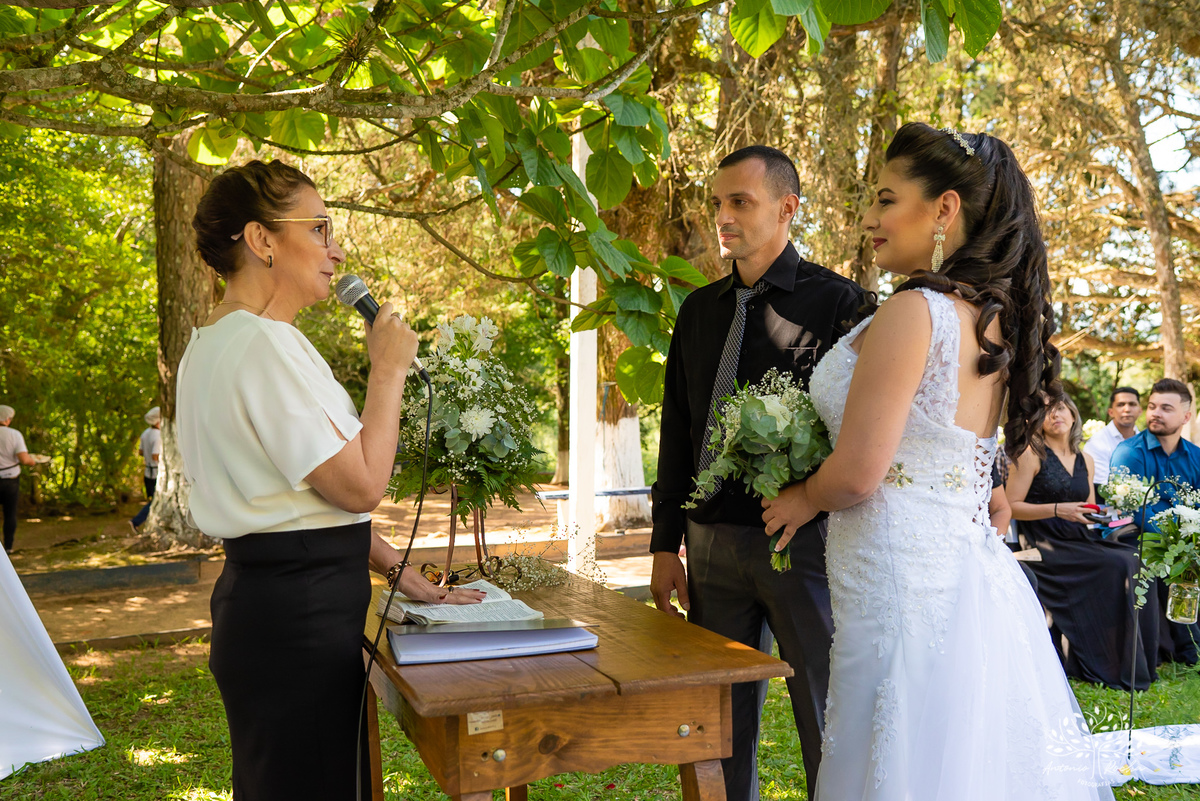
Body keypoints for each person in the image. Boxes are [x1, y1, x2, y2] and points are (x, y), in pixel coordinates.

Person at [761, 123, 1112, 799]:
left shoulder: (913, 311)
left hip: (894, 577)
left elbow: (862, 471)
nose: (870, 219)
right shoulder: (992, 320)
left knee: (889, 742)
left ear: (944, 209)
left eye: (887, 200)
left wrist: (803, 495)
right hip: (953, 574)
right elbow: (971, 462)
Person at [178, 160, 486, 801]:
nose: (336, 249)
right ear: (262, 240)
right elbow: (359, 487)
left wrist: (392, 566)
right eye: (318, 228)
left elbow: (302, 500)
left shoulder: (217, 342)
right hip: (298, 619)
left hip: (274, 604)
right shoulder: (262, 345)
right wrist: (388, 372)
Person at [649, 145, 867, 801]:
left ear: (786, 208)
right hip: (710, 546)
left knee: (825, 718)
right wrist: (665, 543)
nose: (723, 217)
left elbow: (875, 425)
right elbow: (678, 432)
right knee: (716, 728)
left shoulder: (843, 306)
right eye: (717, 203)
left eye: (739, 202)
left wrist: (812, 499)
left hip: (801, 546)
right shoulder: (698, 311)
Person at [1007, 392, 1157, 690]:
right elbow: (1010, 505)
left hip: (1079, 537)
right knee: (1117, 564)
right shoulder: (1030, 455)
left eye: (1061, 408)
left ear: (1073, 415)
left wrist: (1108, 512)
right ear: (1037, 421)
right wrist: (1056, 510)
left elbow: (1088, 509)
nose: (1055, 415)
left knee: (1136, 558)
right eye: (1047, 411)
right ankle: (1105, 661)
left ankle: (1136, 658)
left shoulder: (1085, 459)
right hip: (1045, 542)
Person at [1110, 378, 1200, 666]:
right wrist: (1181, 540)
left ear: (1186, 417)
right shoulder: (1130, 452)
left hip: (1185, 537)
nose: (1155, 413)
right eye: (1151, 406)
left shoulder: (1195, 456)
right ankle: (1191, 652)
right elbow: (1136, 509)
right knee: (1179, 559)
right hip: (1136, 534)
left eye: (1166, 408)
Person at [1084, 387, 1142, 496]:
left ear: (1140, 410)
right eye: (1120, 405)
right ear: (1111, 412)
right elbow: (1101, 486)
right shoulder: (1097, 443)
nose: (1127, 409)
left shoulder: (1146, 442)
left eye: (1132, 404)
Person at [0, 404, 37, 553]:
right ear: (7, 420)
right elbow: (23, 458)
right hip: (10, 480)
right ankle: (8, 547)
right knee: (10, 513)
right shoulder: (14, 435)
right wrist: (32, 461)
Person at [130, 406, 162, 531]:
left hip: (147, 472)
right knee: (156, 501)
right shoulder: (158, 436)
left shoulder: (145, 433)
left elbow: (141, 452)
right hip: (156, 473)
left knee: (153, 500)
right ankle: (136, 521)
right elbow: (155, 455)